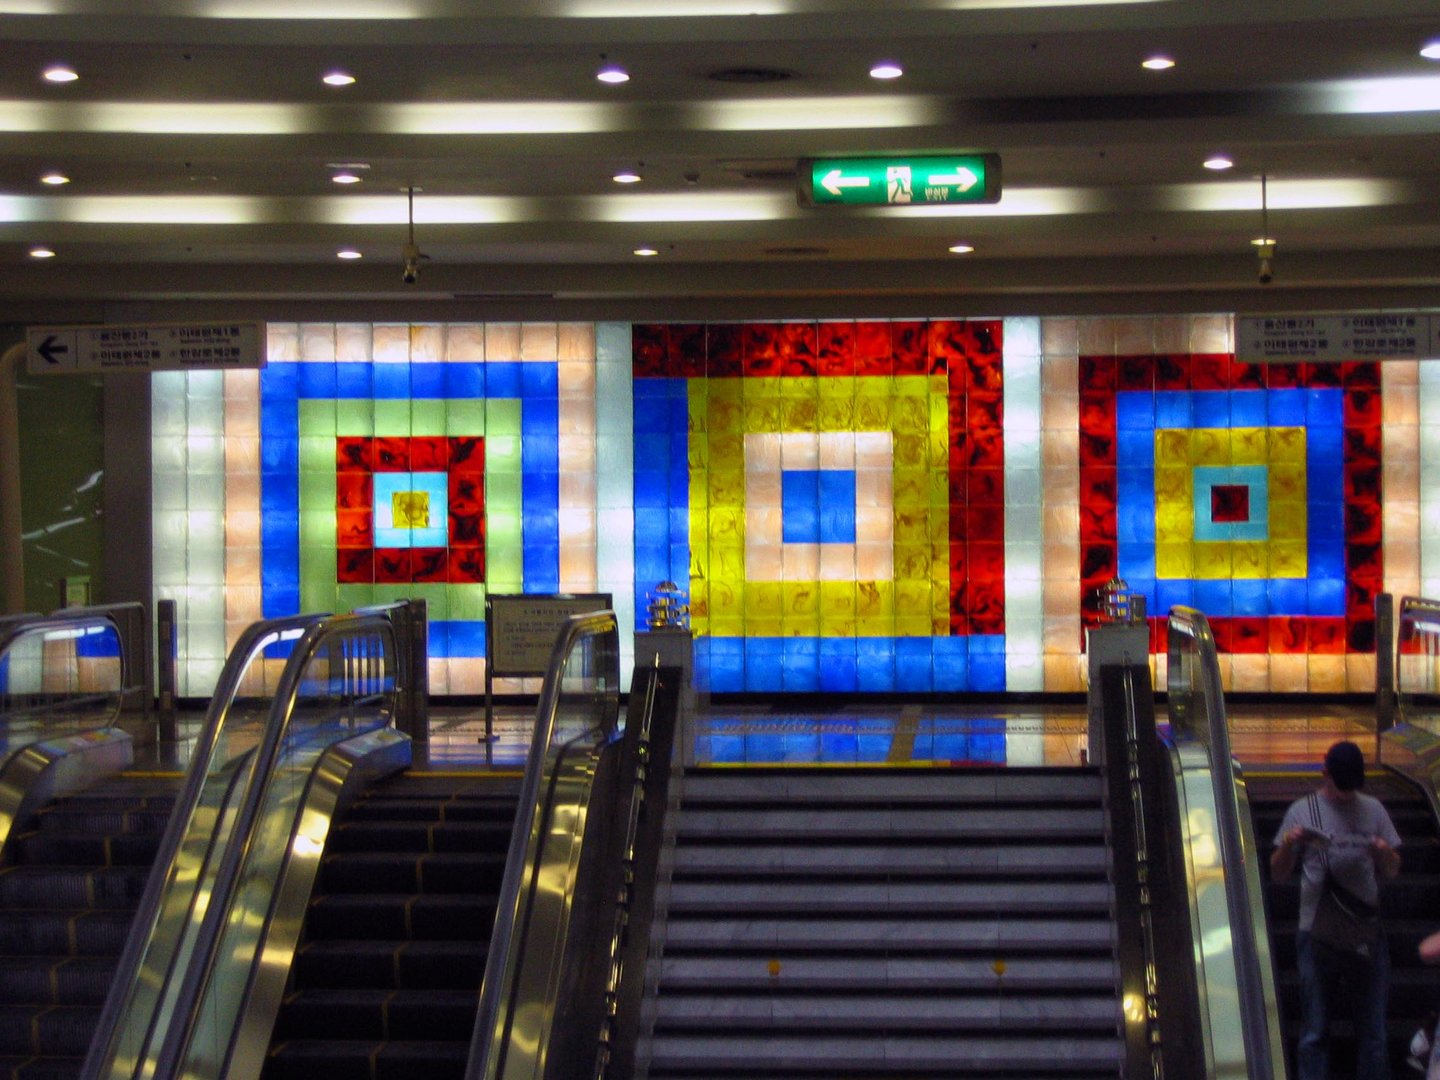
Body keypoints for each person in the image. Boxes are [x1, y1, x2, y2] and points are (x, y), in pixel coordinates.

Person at [1271, 739, 1402, 1080]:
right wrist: (1289, 844)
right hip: (1316, 931)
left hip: (1365, 931)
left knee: (1373, 1031)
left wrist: (1384, 853)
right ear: (1324, 773)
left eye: (1351, 788)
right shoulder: (1303, 811)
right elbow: (1278, 872)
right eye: (1339, 786)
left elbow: (1392, 870)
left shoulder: (1373, 810)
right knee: (1315, 1029)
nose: (1345, 796)